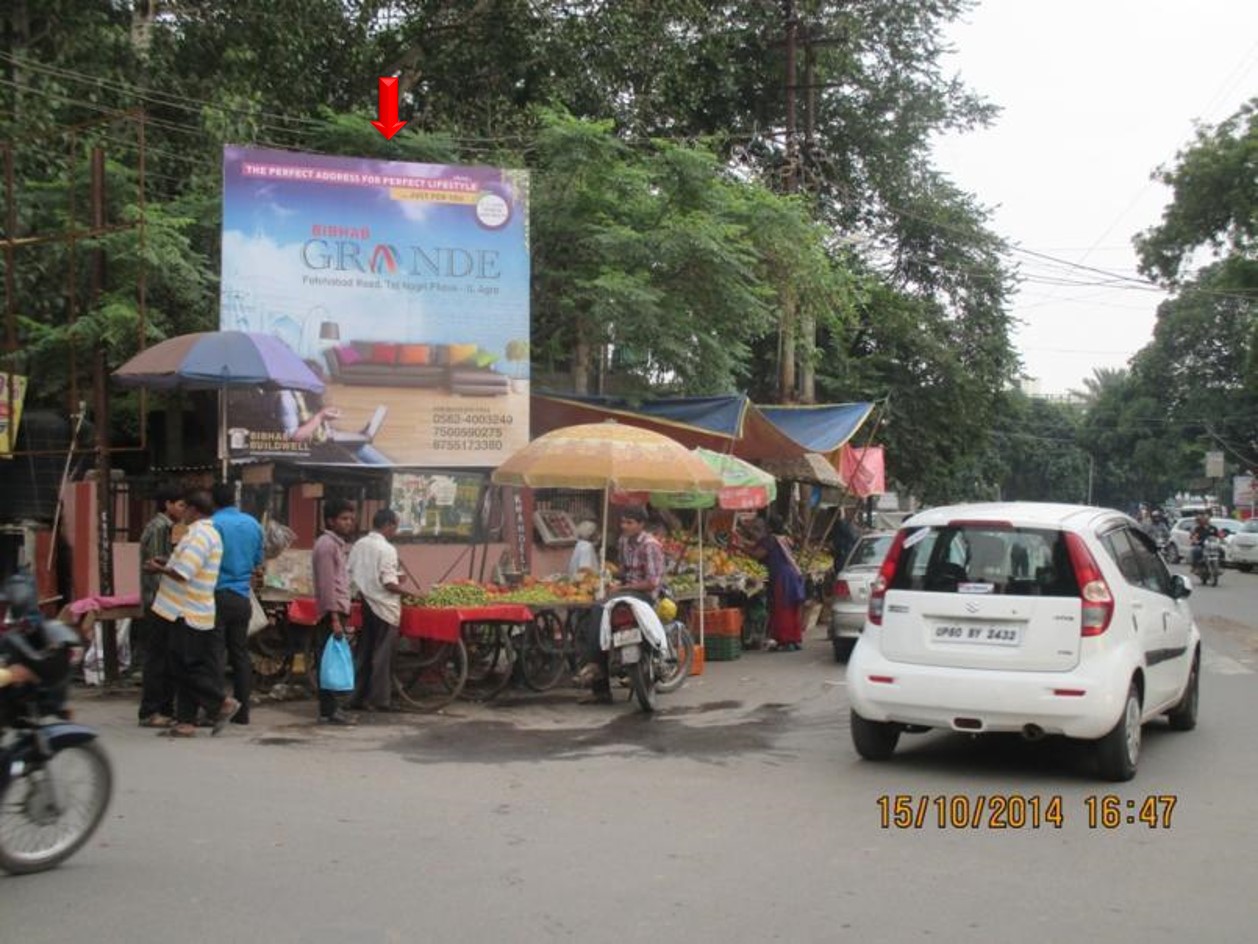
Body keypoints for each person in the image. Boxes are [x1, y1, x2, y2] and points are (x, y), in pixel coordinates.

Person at [147, 489, 239, 738]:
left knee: (184, 668)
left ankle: (221, 702)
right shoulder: (204, 534)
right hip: (188, 610)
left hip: (186, 611)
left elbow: (184, 572)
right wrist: (168, 562)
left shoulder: (200, 535)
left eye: (185, 508)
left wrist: (158, 569)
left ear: (193, 510)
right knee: (184, 666)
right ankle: (186, 722)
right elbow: (189, 566)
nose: (182, 513)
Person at [578, 505, 665, 705]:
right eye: (623, 521)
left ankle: (594, 663)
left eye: (629, 522)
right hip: (625, 591)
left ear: (641, 525)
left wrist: (623, 588)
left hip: (645, 595)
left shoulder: (650, 545)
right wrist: (605, 575)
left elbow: (652, 581)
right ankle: (598, 678)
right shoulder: (624, 541)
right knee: (599, 610)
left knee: (601, 607)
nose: (624, 526)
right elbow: (624, 571)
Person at [210, 483, 264, 726]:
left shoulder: (212, 525)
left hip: (216, 594)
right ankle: (243, 712)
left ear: (214, 502)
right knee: (240, 655)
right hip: (242, 597)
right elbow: (258, 562)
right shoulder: (252, 524)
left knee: (216, 655)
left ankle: (217, 706)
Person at [347, 508, 406, 713]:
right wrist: (408, 593)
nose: (395, 531)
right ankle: (379, 699)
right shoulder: (387, 549)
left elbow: (351, 572)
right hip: (384, 606)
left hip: (365, 603)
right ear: (388, 525)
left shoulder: (359, 545)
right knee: (382, 655)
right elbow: (389, 582)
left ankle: (355, 696)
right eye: (395, 527)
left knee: (364, 651)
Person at [137, 483, 186, 728]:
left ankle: (164, 708)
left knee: (165, 657)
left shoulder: (165, 527)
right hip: (158, 601)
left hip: (160, 601)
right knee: (157, 659)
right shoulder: (160, 528)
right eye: (180, 504)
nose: (183, 509)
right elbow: (155, 567)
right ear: (167, 504)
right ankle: (150, 710)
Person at [313, 498, 357, 724]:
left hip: (339, 609)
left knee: (332, 659)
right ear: (331, 520)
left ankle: (331, 709)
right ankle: (329, 710)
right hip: (332, 611)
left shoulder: (336, 544)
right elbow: (326, 584)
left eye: (350, 518)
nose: (349, 522)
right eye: (343, 518)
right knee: (328, 661)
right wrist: (334, 618)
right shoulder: (326, 545)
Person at [745, 515, 806, 652]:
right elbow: (757, 544)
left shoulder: (771, 539)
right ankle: (794, 639)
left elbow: (758, 554)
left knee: (782, 609)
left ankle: (785, 640)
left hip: (782, 577)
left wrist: (741, 549)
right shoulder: (784, 539)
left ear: (769, 527)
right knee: (791, 609)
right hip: (792, 576)